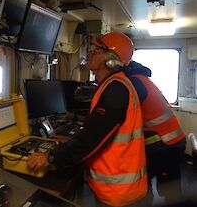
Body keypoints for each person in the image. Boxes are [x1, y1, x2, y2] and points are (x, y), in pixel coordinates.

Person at [27, 32, 147, 207]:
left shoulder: (116, 90)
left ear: (112, 61)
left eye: (97, 50)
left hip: (118, 190)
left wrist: (50, 157)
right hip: (117, 186)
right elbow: (99, 132)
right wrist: (69, 141)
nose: (90, 53)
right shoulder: (112, 85)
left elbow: (90, 139)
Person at [124, 61, 186, 206]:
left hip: (164, 143)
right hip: (169, 140)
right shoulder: (143, 80)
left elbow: (126, 112)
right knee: (170, 189)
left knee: (158, 188)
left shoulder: (133, 83)